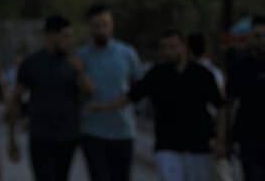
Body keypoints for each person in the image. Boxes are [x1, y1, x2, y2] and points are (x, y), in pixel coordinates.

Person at [91, 28, 224, 181]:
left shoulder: (202, 75)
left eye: (172, 47)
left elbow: (220, 106)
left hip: (198, 146)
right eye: (164, 47)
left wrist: (220, 139)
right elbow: (130, 96)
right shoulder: (156, 74)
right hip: (167, 145)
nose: (168, 52)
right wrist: (103, 107)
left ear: (183, 47)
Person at [8, 14, 92, 181]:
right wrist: (12, 139)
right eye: (65, 36)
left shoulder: (73, 63)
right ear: (50, 36)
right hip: (41, 136)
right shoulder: (32, 64)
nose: (69, 40)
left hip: (68, 136)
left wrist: (80, 72)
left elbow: (89, 93)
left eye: (70, 36)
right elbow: (15, 99)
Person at [77, 3, 143, 181]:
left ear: (112, 25)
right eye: (96, 26)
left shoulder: (127, 53)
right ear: (89, 28)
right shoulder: (81, 56)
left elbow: (138, 88)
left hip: (123, 130)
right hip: (93, 131)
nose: (101, 30)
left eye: (105, 24)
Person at [227, 14, 265, 180]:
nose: (261, 41)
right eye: (257, 36)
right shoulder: (240, 66)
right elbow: (229, 102)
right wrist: (224, 137)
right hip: (249, 139)